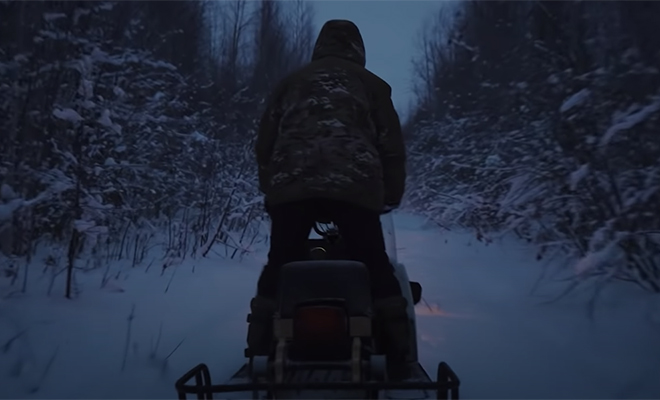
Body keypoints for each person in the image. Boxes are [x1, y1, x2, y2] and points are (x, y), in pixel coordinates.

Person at [248, 19, 410, 374]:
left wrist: (272, 189)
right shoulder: (373, 85)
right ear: (358, 50)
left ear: (319, 46)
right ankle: (399, 351)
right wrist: (390, 196)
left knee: (281, 261)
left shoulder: (289, 83)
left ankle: (258, 340)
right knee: (375, 263)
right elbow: (392, 148)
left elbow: (264, 144)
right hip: (356, 187)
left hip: (291, 186)